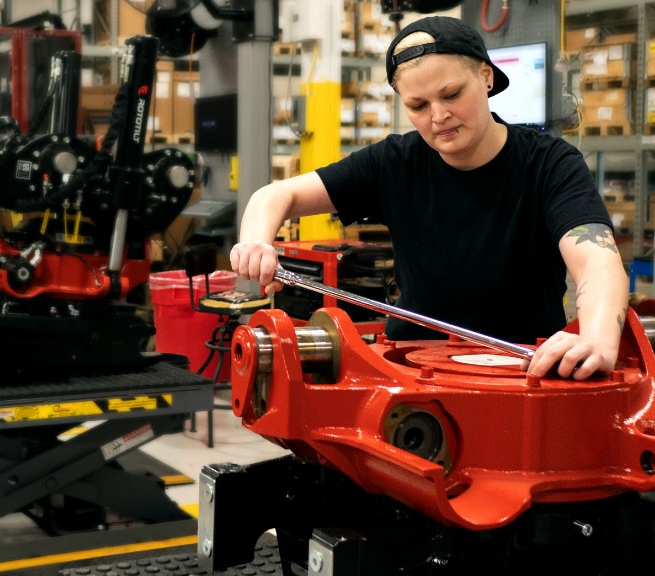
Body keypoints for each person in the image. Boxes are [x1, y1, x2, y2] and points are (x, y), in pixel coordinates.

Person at [230, 16, 628, 382]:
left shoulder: (550, 164)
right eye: (418, 106)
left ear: (486, 76)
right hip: (410, 369)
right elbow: (275, 195)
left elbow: (596, 258)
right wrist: (256, 243)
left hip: (525, 371)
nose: (438, 116)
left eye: (452, 94)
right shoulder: (394, 162)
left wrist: (597, 337)